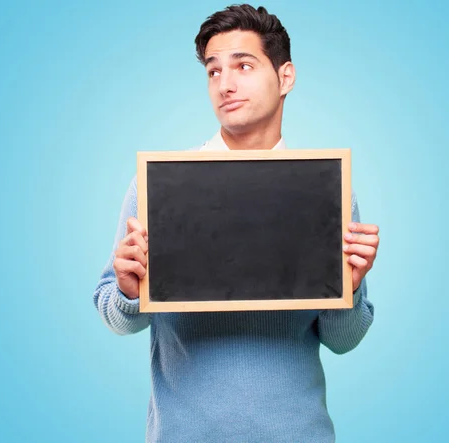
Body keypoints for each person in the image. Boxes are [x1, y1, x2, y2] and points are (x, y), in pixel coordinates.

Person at [93, 4, 379, 442]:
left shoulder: (327, 189)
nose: (225, 85)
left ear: (286, 77)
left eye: (243, 65)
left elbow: (342, 340)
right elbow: (116, 316)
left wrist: (352, 288)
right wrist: (129, 292)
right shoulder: (157, 184)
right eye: (213, 71)